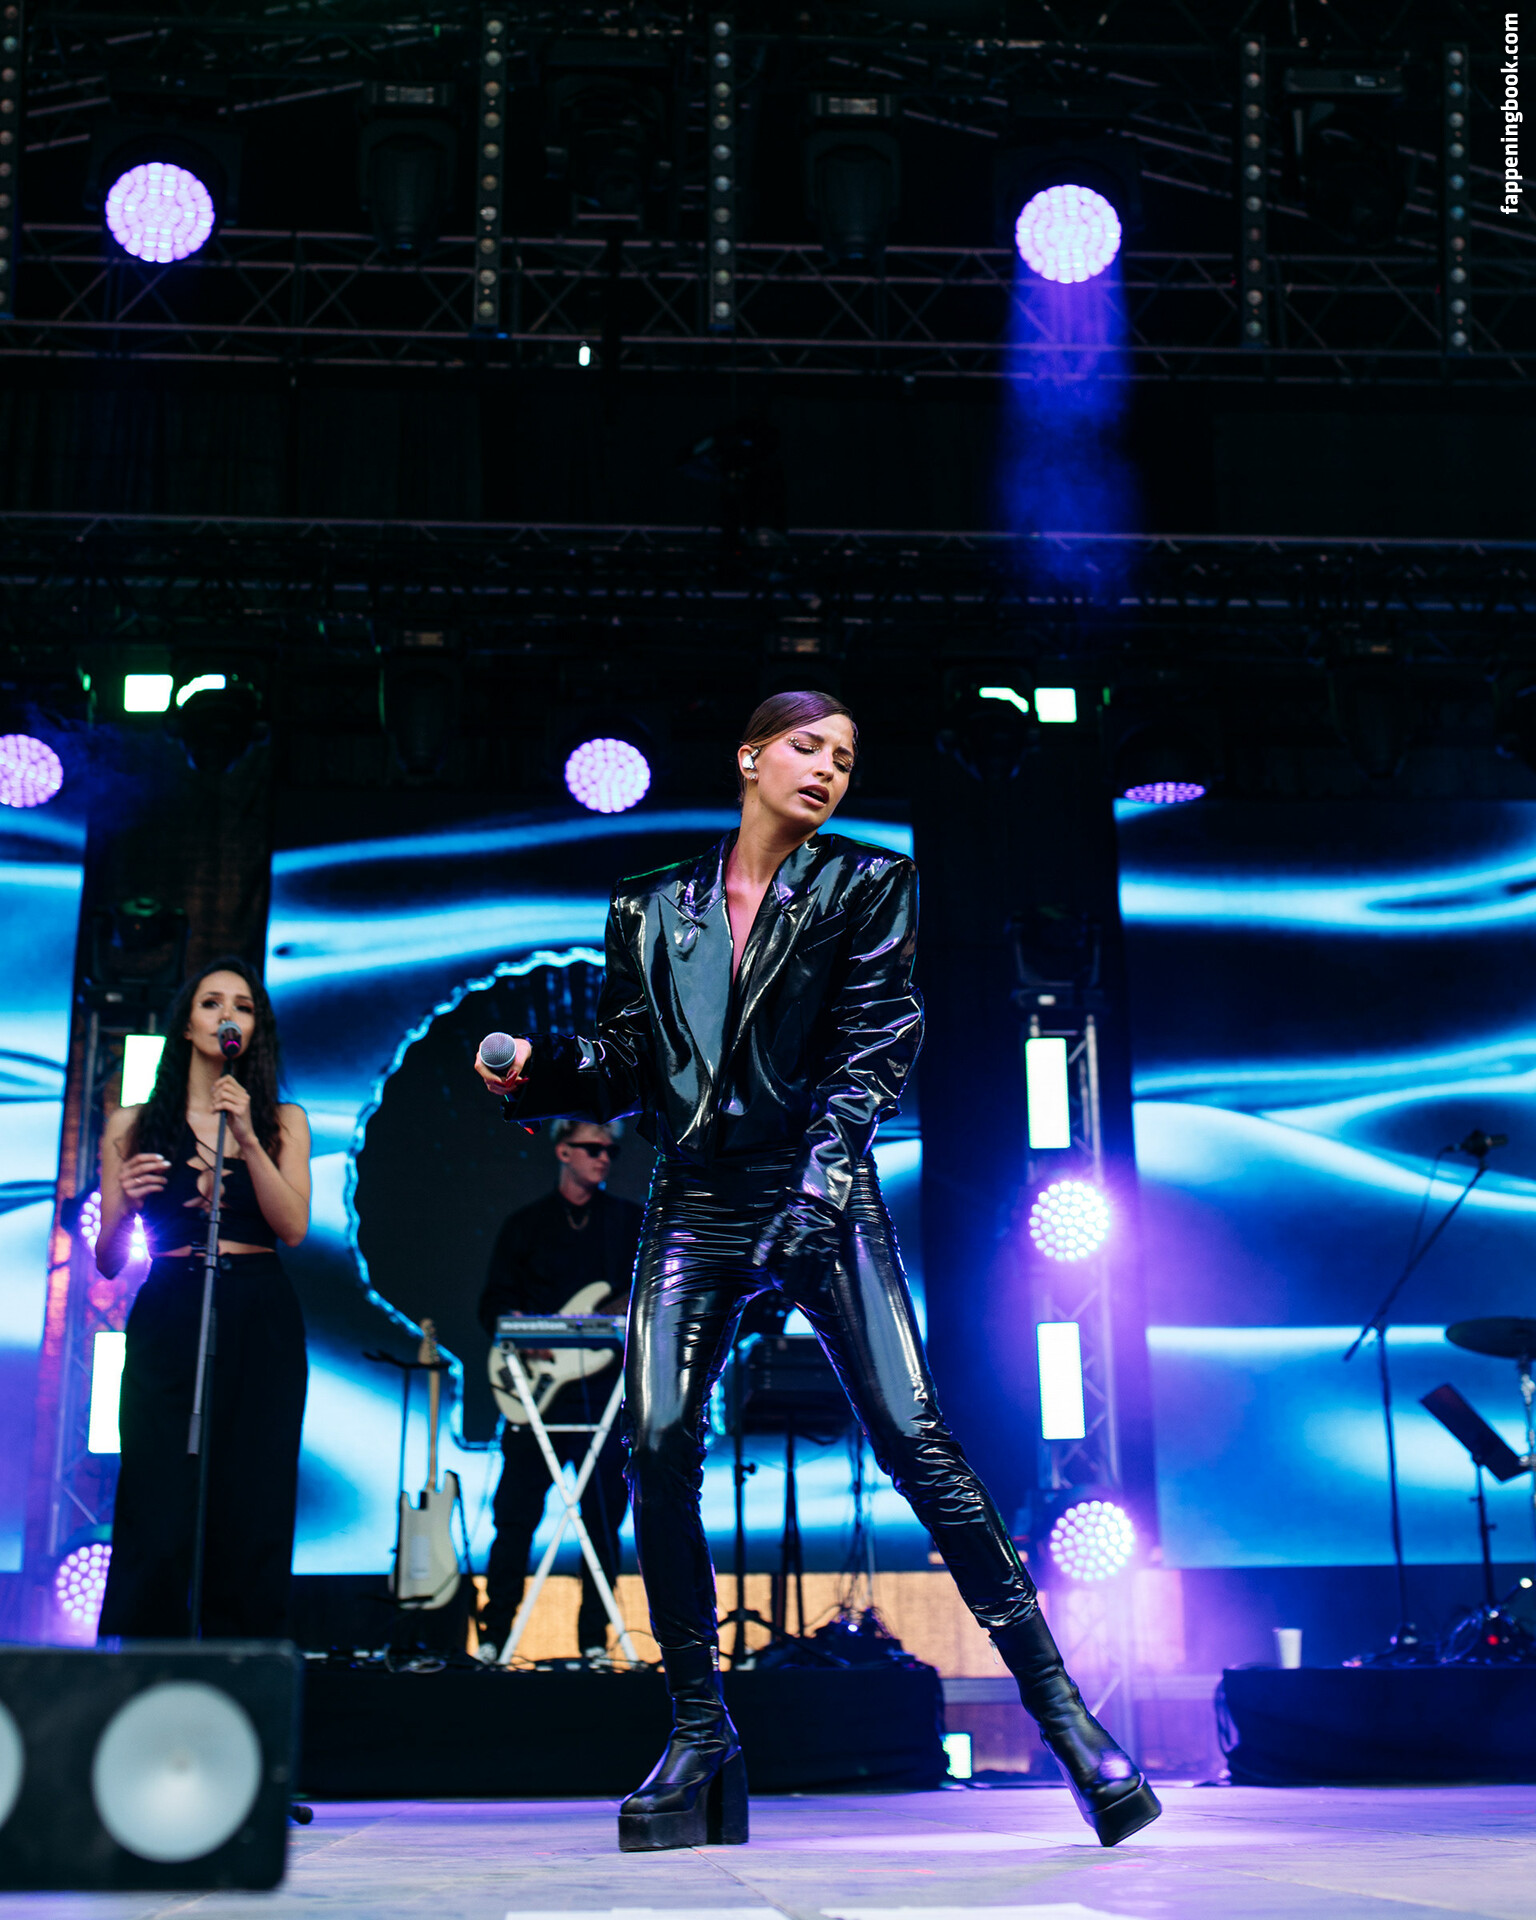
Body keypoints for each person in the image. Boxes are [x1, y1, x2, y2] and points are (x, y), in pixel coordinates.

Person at [475, 690, 1160, 1852]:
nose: (829, 768)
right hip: (696, 1195)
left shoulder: (869, 884)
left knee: (916, 1442)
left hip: (822, 1186)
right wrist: (539, 1072)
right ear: (750, 757)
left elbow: (875, 1042)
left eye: (845, 756)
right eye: (806, 746)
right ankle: (701, 1736)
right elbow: (632, 1061)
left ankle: (1067, 1719)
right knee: (654, 1444)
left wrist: (815, 1189)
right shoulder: (648, 906)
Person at [97, 957, 311, 1639]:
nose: (227, 1015)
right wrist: (125, 1207)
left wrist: (247, 1137)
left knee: (252, 1495)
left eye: (243, 1006)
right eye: (212, 1003)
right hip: (171, 1304)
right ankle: (145, 1661)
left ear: (255, 1030)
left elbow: (294, 1227)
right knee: (157, 1492)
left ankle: (242, 1663)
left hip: (259, 1308)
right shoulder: (130, 1124)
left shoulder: (282, 1120)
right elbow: (106, 1260)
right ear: (187, 1025)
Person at [476, 1117, 642, 1662]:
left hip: (605, 1394)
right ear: (563, 1151)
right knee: (514, 1519)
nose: (603, 1157)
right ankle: (495, 1636)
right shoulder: (525, 1226)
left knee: (603, 1522)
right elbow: (493, 1305)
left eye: (610, 1151)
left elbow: (649, 1292)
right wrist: (522, 1330)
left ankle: (593, 1640)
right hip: (538, 1393)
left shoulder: (629, 1223)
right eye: (592, 1148)